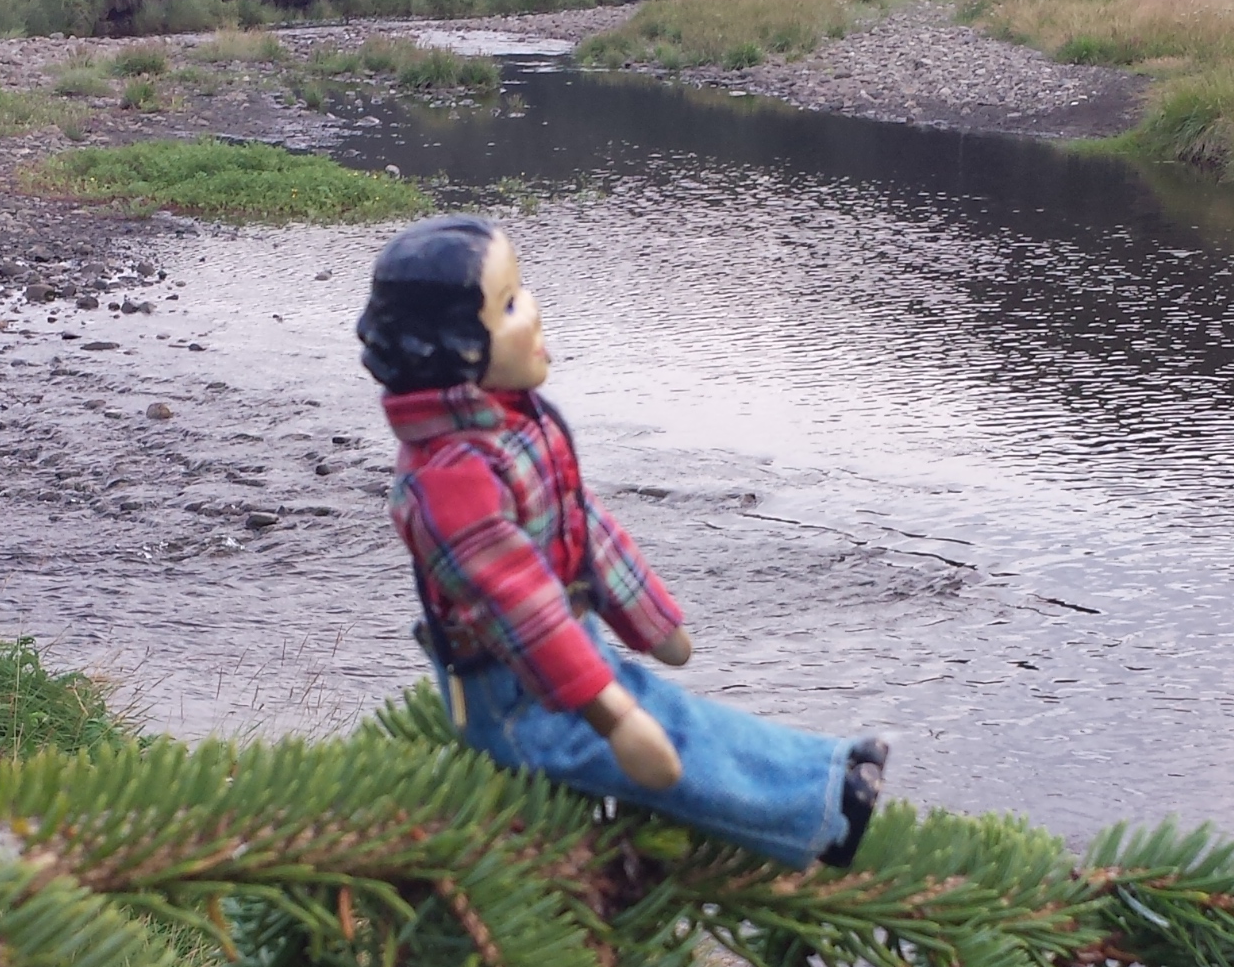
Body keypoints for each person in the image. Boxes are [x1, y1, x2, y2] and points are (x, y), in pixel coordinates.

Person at [356, 214, 887, 870]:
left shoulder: (517, 428)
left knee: (671, 716)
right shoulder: (448, 483)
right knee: (665, 746)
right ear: (455, 348)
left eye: (523, 289)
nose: (535, 311)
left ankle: (827, 777)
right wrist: (612, 717)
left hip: (568, 653)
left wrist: (653, 622)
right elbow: (519, 603)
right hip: (511, 697)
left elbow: (583, 527)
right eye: (510, 304)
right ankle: (827, 815)